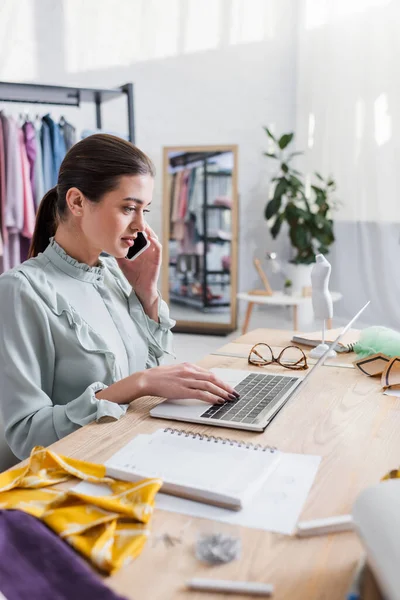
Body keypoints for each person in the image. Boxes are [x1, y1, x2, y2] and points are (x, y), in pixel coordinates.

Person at [0, 134, 238, 460]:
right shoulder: (20, 290)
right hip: (65, 481)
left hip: (126, 452)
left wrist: (147, 293)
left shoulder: (114, 273)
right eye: (129, 208)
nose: (140, 225)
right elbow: (26, 435)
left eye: (145, 210)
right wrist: (136, 384)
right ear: (77, 202)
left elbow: (159, 375)